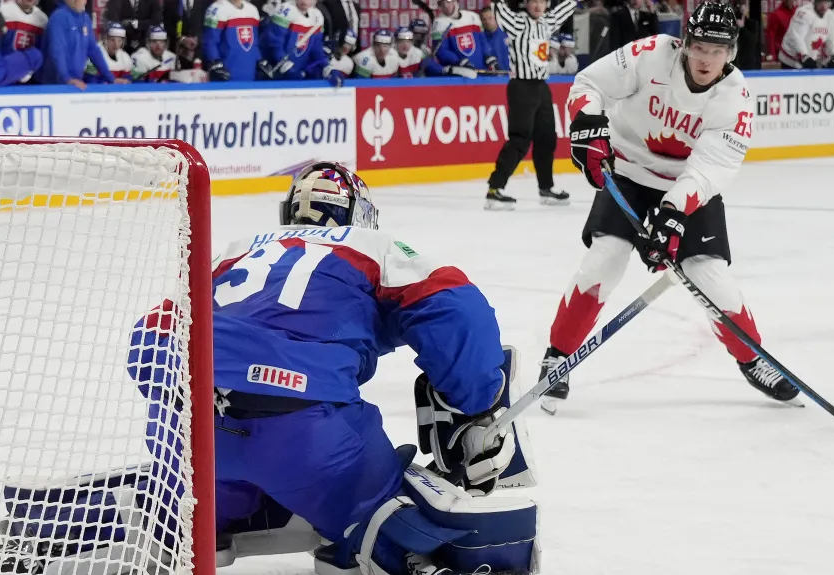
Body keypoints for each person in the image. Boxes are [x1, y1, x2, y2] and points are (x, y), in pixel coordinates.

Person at [128, 162, 538, 575]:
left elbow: (154, 333)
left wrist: (186, 392)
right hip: (306, 433)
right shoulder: (370, 246)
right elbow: (456, 311)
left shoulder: (233, 250)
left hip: (184, 435)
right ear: (358, 212)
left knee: (212, 481)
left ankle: (199, 524)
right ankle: (369, 541)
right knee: (378, 505)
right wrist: (478, 405)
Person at [541, 1, 802, 412]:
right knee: (605, 257)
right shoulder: (650, 55)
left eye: (717, 51)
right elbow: (588, 83)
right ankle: (558, 356)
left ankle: (753, 359)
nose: (707, 59)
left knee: (707, 273)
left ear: (730, 53)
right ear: (685, 43)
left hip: (685, 184)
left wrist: (674, 214)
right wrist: (588, 122)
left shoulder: (736, 100)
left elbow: (710, 168)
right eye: (700, 47)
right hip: (628, 169)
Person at [484, 0, 576, 210]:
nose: (537, 5)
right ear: (526, 3)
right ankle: (494, 190)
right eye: (533, 1)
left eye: (541, 1)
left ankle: (546, 188)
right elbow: (498, 7)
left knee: (546, 138)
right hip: (521, 87)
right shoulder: (517, 23)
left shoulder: (548, 21)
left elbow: (567, 6)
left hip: (541, 87)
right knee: (520, 139)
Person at [40, 0, 128, 87]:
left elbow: (93, 50)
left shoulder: (85, 18)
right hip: (55, 84)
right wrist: (66, 78)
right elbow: (57, 51)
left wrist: (111, 78)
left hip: (76, 82)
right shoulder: (58, 17)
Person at [259, 0, 343, 85]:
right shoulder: (285, 10)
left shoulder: (317, 16)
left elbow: (316, 50)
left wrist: (326, 68)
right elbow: (274, 43)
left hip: (296, 73)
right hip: (274, 76)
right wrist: (283, 64)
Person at [203, 0, 262, 81]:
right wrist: (214, 61)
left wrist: (259, 59)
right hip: (226, 72)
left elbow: (254, 42)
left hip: (250, 71)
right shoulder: (217, 9)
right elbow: (210, 41)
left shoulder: (252, 10)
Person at [431, 0, 497, 71]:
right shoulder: (438, 24)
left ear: (455, 2)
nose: (445, 6)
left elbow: (483, 41)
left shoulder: (472, 17)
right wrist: (458, 61)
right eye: (441, 3)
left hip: (481, 69)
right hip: (458, 73)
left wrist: (488, 56)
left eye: (448, 2)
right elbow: (441, 50)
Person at [779, 0, 834, 69]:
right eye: (821, 2)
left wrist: (832, 56)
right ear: (815, 2)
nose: (824, 6)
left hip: (811, 59)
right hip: (791, 60)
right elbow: (796, 37)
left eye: (827, 3)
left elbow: (831, 38)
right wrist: (804, 56)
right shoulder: (804, 12)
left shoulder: (831, 16)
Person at [480, 4, 510, 71]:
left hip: (511, 76)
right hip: (491, 78)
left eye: (490, 18)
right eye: (484, 19)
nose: (487, 22)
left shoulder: (508, 33)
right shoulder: (480, 38)